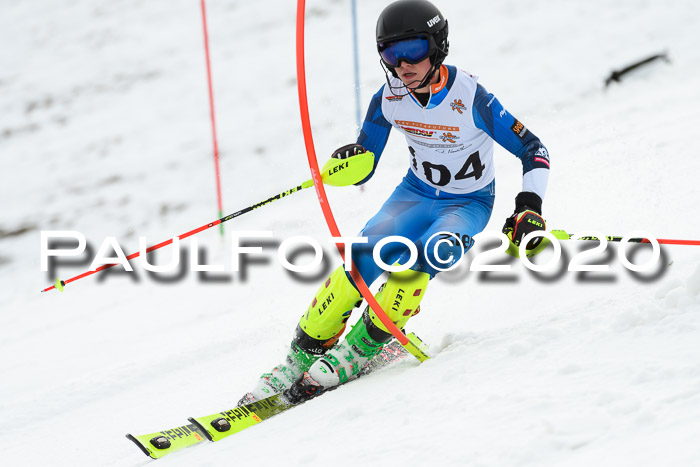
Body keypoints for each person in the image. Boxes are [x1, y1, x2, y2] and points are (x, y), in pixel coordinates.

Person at [240, 0, 550, 404]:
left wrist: (529, 207)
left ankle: (363, 346)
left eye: (413, 50)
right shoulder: (388, 98)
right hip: (415, 194)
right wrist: (346, 161)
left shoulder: (470, 96)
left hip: (467, 202)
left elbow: (533, 148)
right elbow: (365, 165)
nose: (403, 65)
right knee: (366, 255)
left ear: (437, 46)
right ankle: (302, 355)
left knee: (432, 252)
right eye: (391, 53)